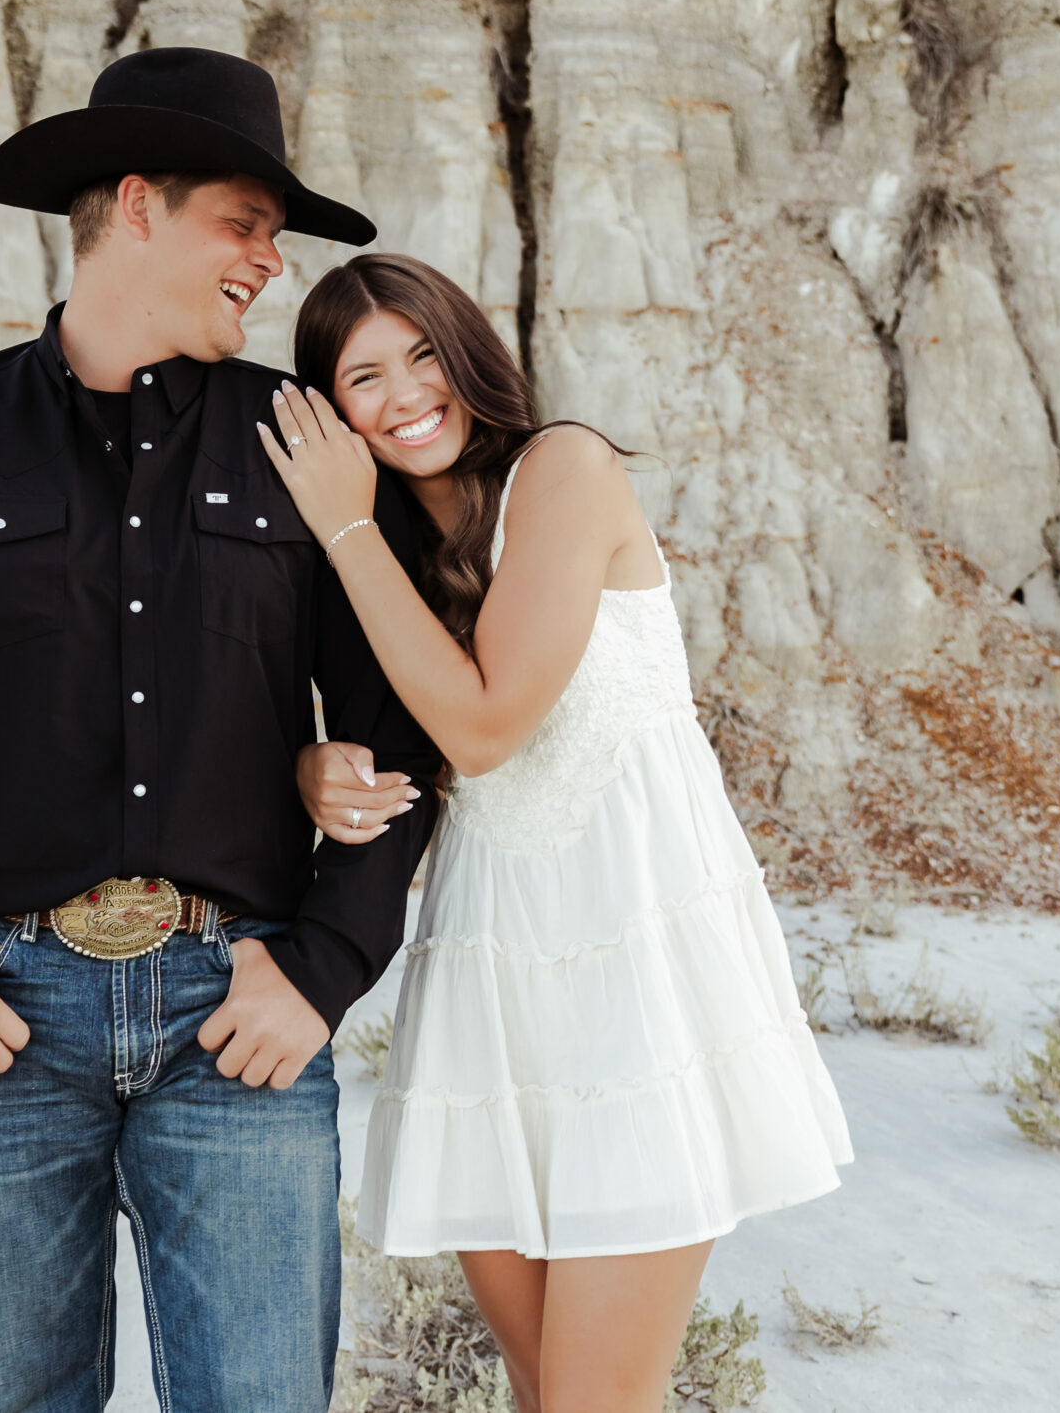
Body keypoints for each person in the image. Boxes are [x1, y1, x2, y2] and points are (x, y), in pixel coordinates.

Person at [0, 49, 441, 1412]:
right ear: (136, 202)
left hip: (234, 1015)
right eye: (245, 223)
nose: (268, 262)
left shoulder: (300, 446)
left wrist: (325, 964)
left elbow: (393, 711)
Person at [261, 253, 854, 1413]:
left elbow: (484, 725)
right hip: (494, 977)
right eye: (364, 377)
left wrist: (340, 528)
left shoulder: (562, 470)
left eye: (424, 353)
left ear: (471, 353)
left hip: (635, 969)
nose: (406, 393)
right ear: (336, 416)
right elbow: (405, 740)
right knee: (542, 1395)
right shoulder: (390, 560)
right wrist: (307, 765)